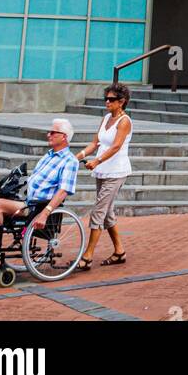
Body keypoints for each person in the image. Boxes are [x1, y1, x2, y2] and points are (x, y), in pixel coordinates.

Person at [0, 118, 78, 269]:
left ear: (64, 136)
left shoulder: (70, 161)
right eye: (49, 132)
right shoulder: (49, 155)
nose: (48, 134)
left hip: (38, 207)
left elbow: (63, 192)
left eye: (52, 132)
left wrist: (45, 213)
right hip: (27, 200)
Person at [75, 82, 133, 270]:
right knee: (107, 212)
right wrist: (79, 156)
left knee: (98, 211)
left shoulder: (124, 121)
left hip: (116, 172)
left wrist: (97, 161)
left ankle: (88, 255)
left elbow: (116, 146)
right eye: (106, 99)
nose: (107, 102)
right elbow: (95, 143)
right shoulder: (107, 117)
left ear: (122, 101)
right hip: (102, 170)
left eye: (111, 99)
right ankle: (119, 251)